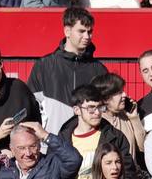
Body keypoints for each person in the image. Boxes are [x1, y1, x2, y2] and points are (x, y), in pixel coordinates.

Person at [27, 8, 109, 137]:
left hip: (89, 142)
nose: (87, 36)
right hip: (51, 141)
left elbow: (107, 110)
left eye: (89, 32)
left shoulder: (99, 69)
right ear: (67, 31)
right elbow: (31, 107)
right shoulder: (44, 65)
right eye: (81, 31)